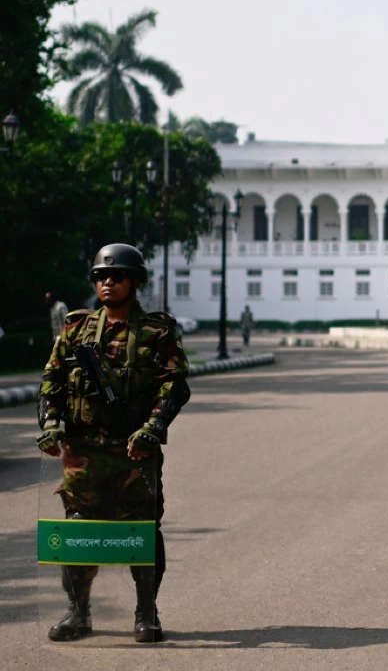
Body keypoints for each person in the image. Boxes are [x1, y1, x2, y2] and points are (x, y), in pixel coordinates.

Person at [36, 243, 190, 643]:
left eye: (117, 275)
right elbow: (50, 383)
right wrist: (51, 424)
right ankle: (78, 613)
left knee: (142, 530)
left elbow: (174, 388)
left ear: (134, 281)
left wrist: (152, 429)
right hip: (82, 452)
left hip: (133, 451)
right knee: (78, 532)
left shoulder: (157, 331)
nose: (107, 282)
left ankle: (146, 613)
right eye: (101, 276)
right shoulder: (76, 328)